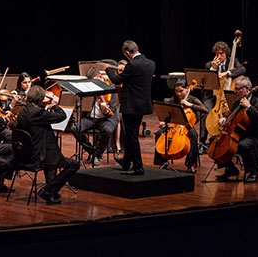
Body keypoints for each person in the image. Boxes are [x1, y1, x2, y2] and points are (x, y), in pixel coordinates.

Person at [17, 85, 80, 204]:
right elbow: (62, 116)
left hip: (26, 153)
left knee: (51, 158)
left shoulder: (23, 112)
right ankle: (48, 189)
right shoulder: (38, 113)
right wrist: (55, 105)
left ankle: (51, 193)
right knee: (73, 165)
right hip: (38, 156)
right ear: (40, 99)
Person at [105, 40, 155, 175]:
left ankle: (138, 166)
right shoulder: (151, 63)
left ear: (127, 53)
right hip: (142, 105)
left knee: (132, 136)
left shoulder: (132, 65)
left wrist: (109, 70)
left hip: (131, 106)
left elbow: (117, 80)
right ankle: (126, 162)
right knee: (130, 134)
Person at [215, 77, 258, 183]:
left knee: (243, 145)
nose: (235, 91)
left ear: (247, 88)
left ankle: (254, 171)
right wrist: (224, 119)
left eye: (237, 89)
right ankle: (230, 169)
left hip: (255, 137)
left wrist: (249, 107)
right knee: (215, 141)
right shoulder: (237, 103)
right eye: (235, 89)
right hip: (238, 135)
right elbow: (232, 117)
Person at [153, 79, 208, 173]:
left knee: (194, 135)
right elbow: (166, 113)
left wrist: (190, 105)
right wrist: (163, 121)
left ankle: (191, 163)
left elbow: (205, 110)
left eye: (181, 91)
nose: (178, 93)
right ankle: (162, 161)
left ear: (187, 89)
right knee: (159, 133)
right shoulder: (173, 99)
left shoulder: (192, 99)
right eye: (176, 91)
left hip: (187, 126)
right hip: (173, 125)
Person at [199, 41, 246, 148]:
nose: (219, 56)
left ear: (226, 53)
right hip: (213, 96)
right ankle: (202, 142)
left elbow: (242, 69)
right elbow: (206, 82)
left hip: (229, 95)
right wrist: (213, 69)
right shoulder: (209, 64)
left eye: (221, 54)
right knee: (204, 110)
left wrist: (227, 72)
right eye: (217, 54)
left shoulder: (233, 61)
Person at [70, 68, 118, 166]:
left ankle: (98, 154)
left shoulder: (111, 89)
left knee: (107, 130)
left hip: (106, 119)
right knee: (75, 129)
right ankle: (92, 151)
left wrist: (105, 110)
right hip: (90, 118)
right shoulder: (87, 88)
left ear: (99, 78)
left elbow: (112, 110)